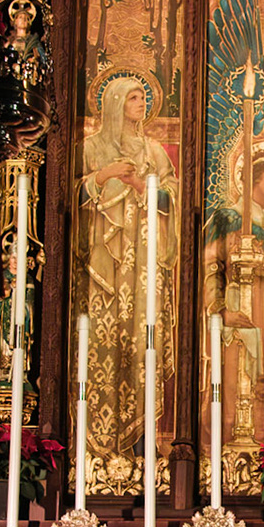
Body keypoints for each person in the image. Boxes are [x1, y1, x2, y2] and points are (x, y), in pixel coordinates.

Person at [75, 75, 179, 492]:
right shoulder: (91, 148)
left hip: (144, 262)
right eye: (133, 97)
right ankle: (95, 447)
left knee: (143, 340)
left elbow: (172, 195)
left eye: (143, 97)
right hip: (103, 266)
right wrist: (102, 177)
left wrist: (142, 185)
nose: (140, 103)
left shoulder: (155, 151)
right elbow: (71, 197)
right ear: (115, 103)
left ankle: (140, 444)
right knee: (102, 342)